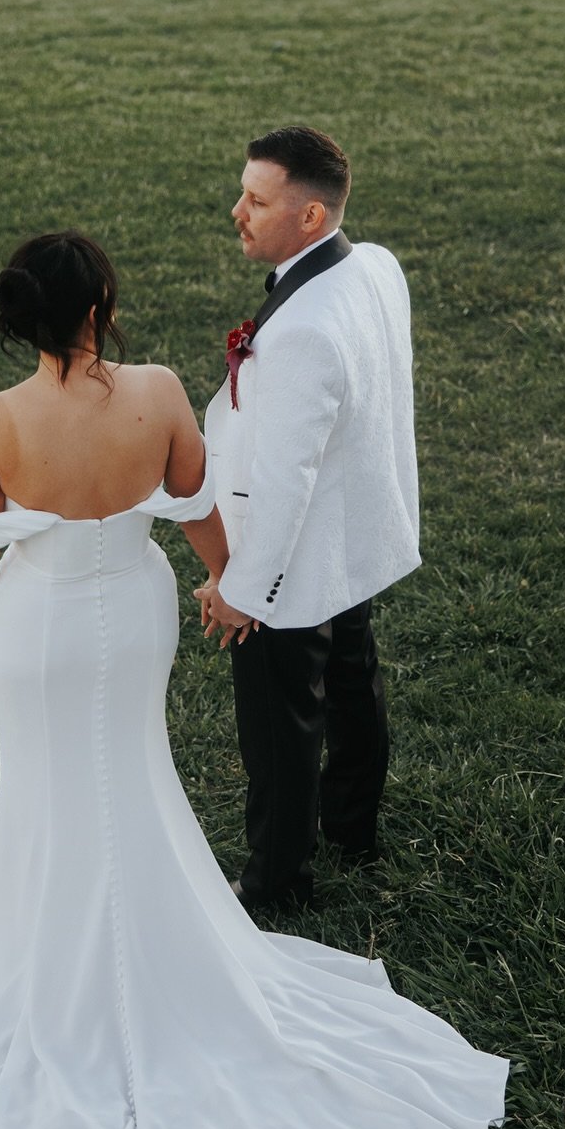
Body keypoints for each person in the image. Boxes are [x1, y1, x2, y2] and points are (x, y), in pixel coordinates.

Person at [0, 231, 506, 1129]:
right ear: (102, 303)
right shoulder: (156, 392)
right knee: (131, 780)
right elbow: (195, 509)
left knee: (49, 798)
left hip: (39, 628)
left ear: (21, 319)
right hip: (133, 615)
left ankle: (48, 978)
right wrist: (238, 591)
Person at [197, 126, 421, 914]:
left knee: (280, 731)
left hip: (292, 556)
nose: (239, 211)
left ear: (312, 216)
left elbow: (285, 482)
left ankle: (276, 885)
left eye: (258, 201)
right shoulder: (376, 265)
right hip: (355, 532)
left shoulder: (301, 332)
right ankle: (352, 828)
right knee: (354, 680)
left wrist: (242, 588)